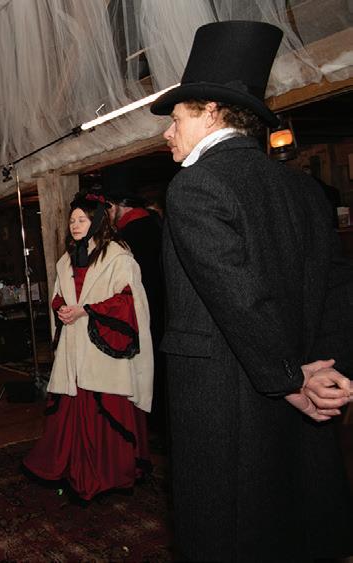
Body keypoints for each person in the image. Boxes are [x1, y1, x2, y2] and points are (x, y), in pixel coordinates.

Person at [150, 20, 353, 560]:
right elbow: (338, 287)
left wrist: (291, 380)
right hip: (301, 389)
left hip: (228, 401)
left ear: (211, 113)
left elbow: (239, 298)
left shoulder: (195, 186)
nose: (167, 133)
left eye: (176, 118)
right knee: (293, 524)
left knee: (234, 531)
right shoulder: (306, 189)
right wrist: (330, 374)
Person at [23, 193, 153, 501]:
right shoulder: (66, 259)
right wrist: (61, 308)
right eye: (72, 220)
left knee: (102, 406)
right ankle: (71, 466)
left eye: (82, 219)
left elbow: (128, 301)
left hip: (103, 349)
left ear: (97, 222)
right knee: (72, 403)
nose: (75, 225)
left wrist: (87, 311)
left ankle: (108, 474)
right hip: (74, 346)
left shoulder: (119, 257)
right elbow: (58, 295)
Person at [101, 167, 168, 444]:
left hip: (141, 317)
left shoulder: (127, 238)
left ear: (116, 205)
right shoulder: (156, 225)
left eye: (107, 208)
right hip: (165, 313)